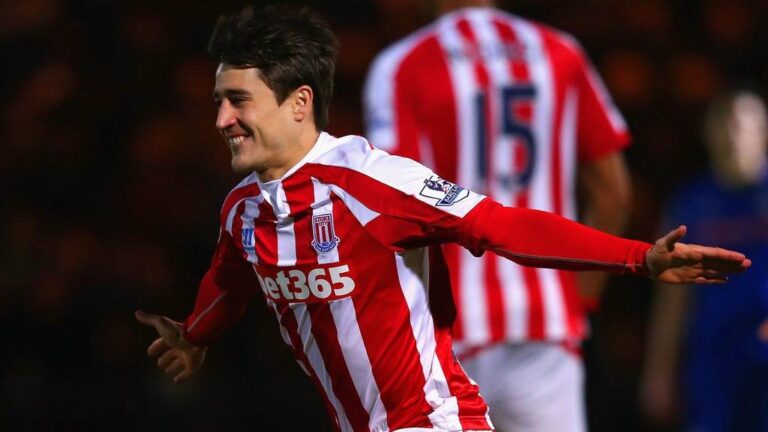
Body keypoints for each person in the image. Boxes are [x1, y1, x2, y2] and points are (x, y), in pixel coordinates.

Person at [135, 6, 750, 432]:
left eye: (237, 101)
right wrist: (195, 336)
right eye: (218, 102)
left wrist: (638, 257)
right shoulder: (243, 210)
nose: (221, 120)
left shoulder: (370, 182)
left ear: (300, 103)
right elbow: (230, 281)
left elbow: (501, 225)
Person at [363, 1, 631, 430]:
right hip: (545, 323)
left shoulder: (402, 65)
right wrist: (576, 299)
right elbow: (613, 194)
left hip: (443, 331)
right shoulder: (560, 52)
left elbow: (390, 206)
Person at [641, 88, 768, 432]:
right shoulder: (690, 203)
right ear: (708, 135)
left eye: (743, 126)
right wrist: (659, 370)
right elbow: (672, 295)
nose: (733, 136)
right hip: (712, 357)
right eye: (723, 126)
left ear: (763, 133)